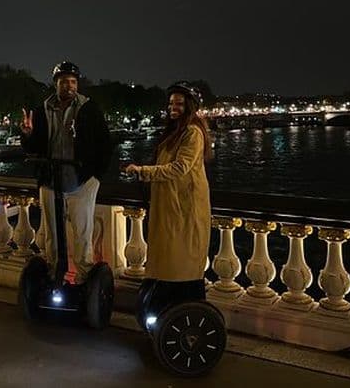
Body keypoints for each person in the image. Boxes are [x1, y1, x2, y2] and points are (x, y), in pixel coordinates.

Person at [20, 61, 113, 284]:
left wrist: (95, 178)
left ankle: (84, 279)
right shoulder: (42, 110)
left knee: (82, 234)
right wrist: (27, 135)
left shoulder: (90, 109)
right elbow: (33, 148)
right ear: (56, 84)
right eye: (64, 82)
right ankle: (54, 275)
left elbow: (105, 145)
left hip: (81, 182)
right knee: (51, 234)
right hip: (51, 180)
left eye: (73, 82)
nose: (69, 86)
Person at [124, 81, 212, 306]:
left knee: (179, 263)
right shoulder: (177, 130)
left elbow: (180, 168)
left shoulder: (192, 132)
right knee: (171, 260)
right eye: (171, 102)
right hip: (172, 207)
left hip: (184, 209)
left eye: (179, 103)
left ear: (190, 106)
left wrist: (143, 171)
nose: (174, 107)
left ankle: (179, 311)